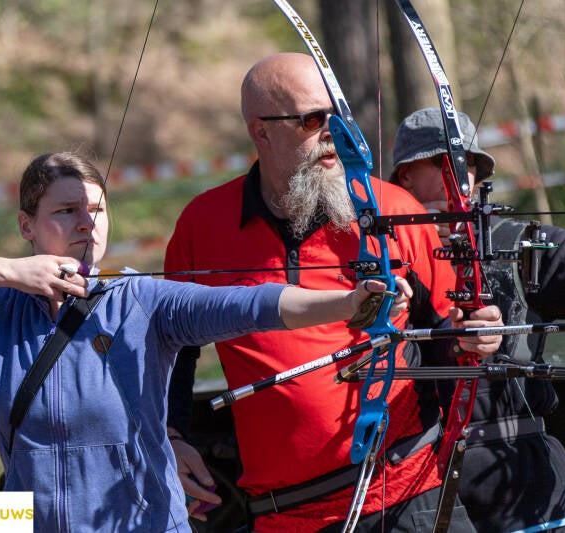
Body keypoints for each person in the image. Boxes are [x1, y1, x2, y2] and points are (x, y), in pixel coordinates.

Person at [0, 151, 411, 533]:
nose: (87, 223)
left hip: (142, 522)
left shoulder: (143, 300)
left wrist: (344, 303)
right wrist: (8, 272)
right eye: (67, 211)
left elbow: (249, 303)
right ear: (26, 225)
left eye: (97, 210)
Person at [165, 52, 504, 533]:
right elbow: (170, 349)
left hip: (406, 492)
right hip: (284, 513)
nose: (333, 132)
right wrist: (171, 436)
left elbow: (448, 333)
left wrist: (475, 338)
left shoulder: (391, 207)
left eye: (337, 115)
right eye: (311, 119)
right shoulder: (203, 225)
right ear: (261, 131)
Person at [391, 107, 565, 532]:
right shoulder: (377, 258)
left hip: (525, 479)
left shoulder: (511, 244)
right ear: (406, 175)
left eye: (468, 164)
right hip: (421, 488)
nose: (461, 176)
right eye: (444, 163)